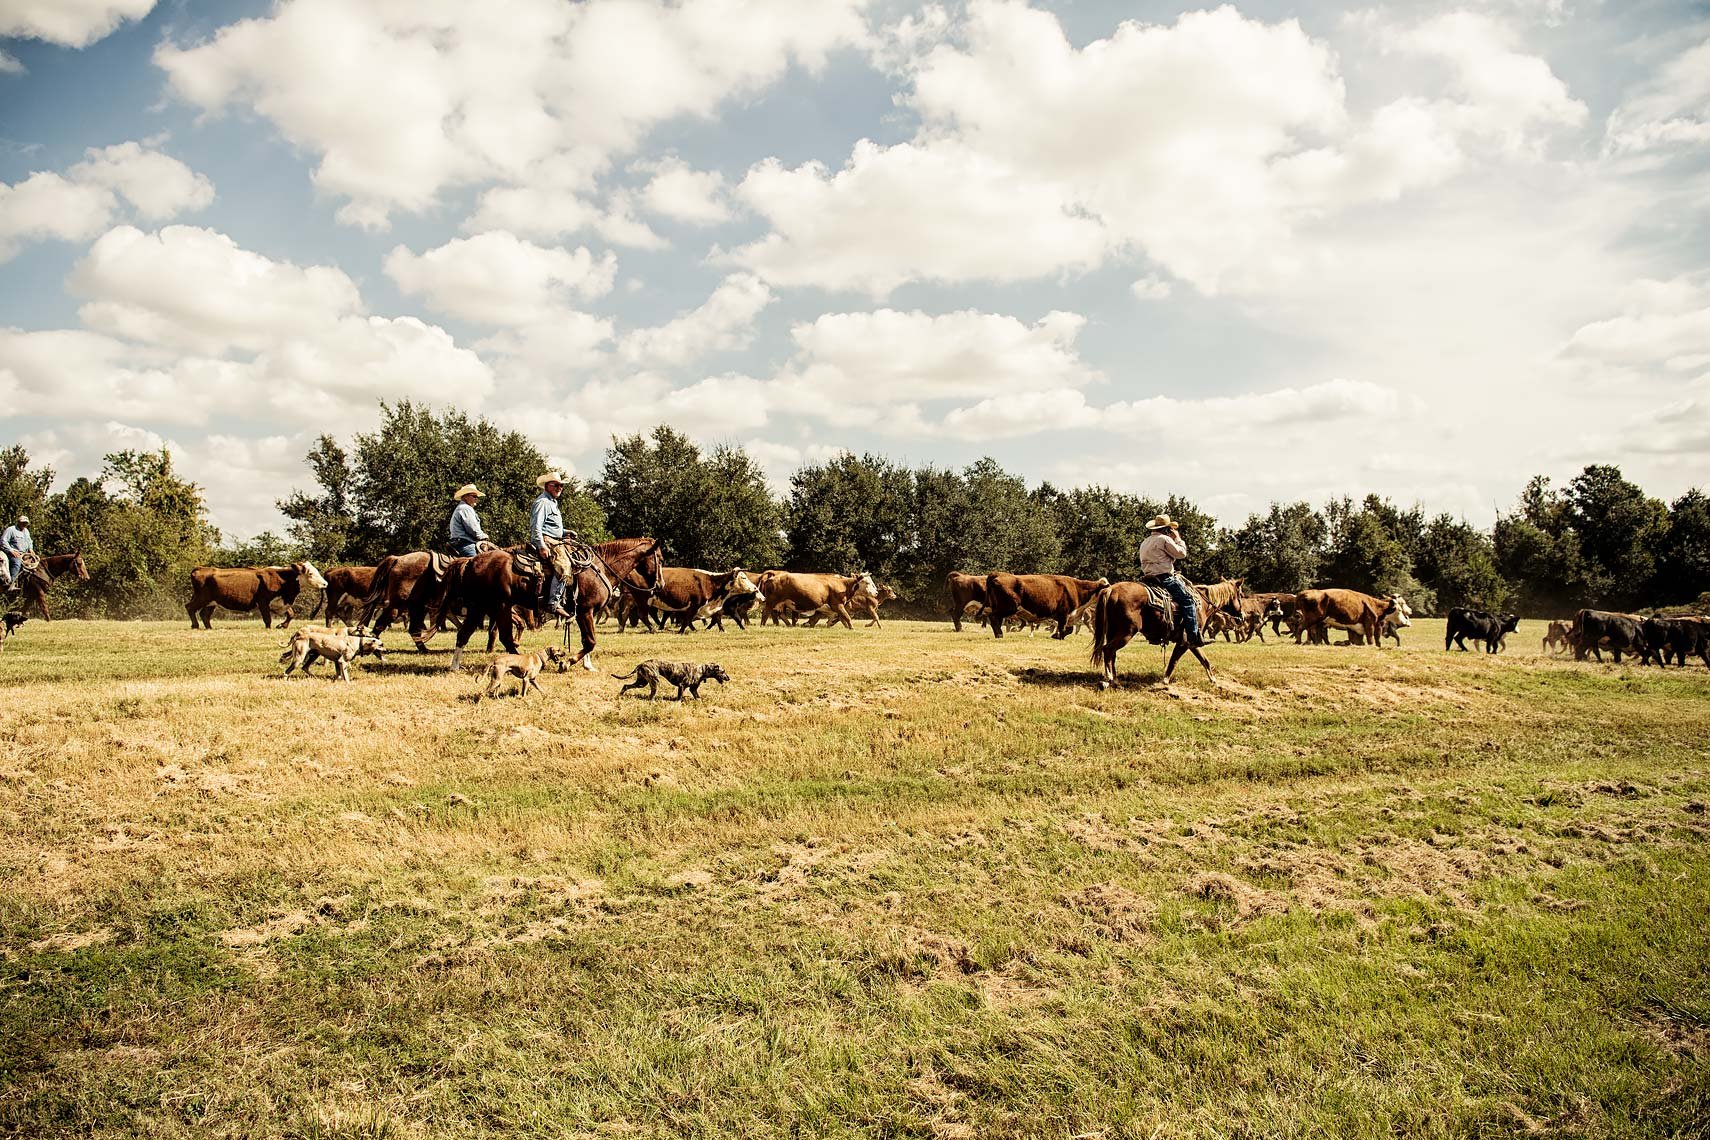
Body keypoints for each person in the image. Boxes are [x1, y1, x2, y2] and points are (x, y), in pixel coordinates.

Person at [1138, 513, 1204, 646]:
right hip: (1164, 578)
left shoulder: (1145, 541)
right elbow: (1181, 554)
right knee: (1188, 601)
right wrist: (1178, 539)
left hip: (1147, 578)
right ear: (1166, 529)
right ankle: (1193, 637)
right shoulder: (1164, 539)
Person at [529, 471, 578, 620]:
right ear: (546, 486)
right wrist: (542, 545)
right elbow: (536, 527)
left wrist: (566, 531)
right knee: (564, 565)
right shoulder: (543, 502)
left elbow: (552, 526)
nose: (559, 487)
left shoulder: (552, 502)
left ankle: (569, 599)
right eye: (555, 485)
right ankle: (553, 602)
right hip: (548, 541)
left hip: (556, 539)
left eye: (561, 485)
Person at [447, 484, 488, 557]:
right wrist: (483, 536)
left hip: (459, 542)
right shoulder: (465, 508)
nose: (476, 499)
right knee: (478, 566)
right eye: (474, 496)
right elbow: (472, 528)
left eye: (477, 497)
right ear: (465, 496)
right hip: (465, 544)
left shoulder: (461, 508)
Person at [2, 514, 32, 593]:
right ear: (18, 522)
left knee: (34, 565)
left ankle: (29, 586)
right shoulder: (11, 530)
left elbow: (29, 542)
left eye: (26, 523)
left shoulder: (26, 531)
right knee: (17, 563)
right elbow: (3, 541)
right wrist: (11, 551)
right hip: (12, 553)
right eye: (23, 522)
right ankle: (11, 584)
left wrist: (31, 550)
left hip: (24, 554)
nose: (24, 524)